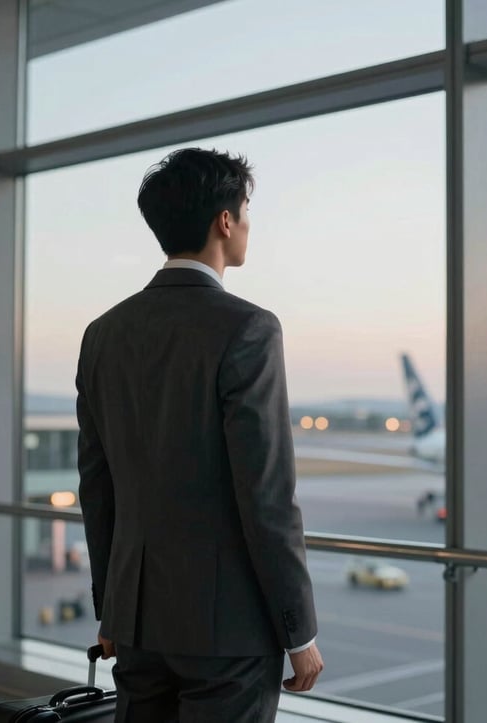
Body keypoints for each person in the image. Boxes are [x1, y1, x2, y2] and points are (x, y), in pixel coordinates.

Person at [76, 148, 323, 722]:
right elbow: (265, 495)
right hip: (227, 631)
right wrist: (299, 630)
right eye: (247, 212)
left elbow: (97, 486)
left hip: (136, 623)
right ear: (225, 221)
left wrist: (112, 611)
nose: (249, 226)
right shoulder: (249, 327)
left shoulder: (102, 333)